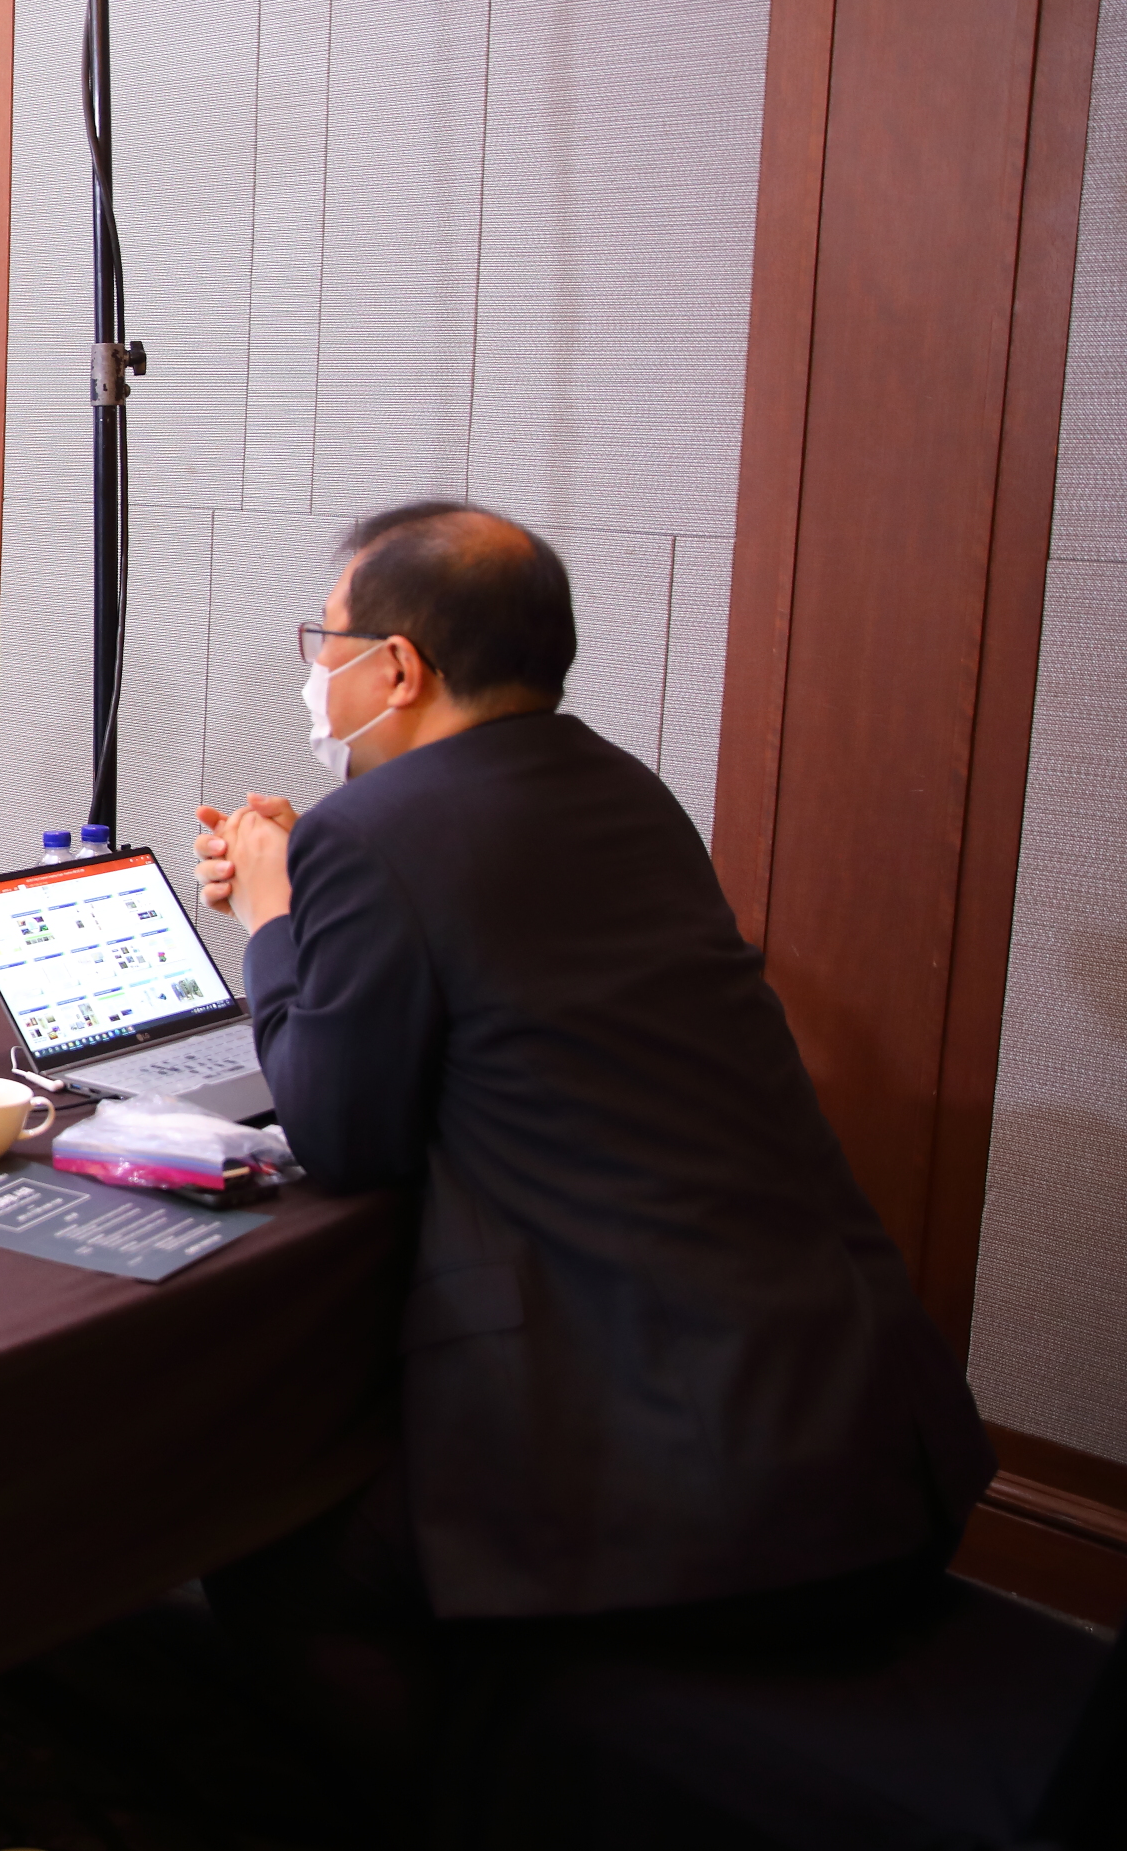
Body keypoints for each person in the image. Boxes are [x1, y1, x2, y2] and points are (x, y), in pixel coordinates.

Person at [192, 500, 990, 1831]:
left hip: (694, 1492)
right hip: (870, 1435)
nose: (316, 670)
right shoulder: (624, 790)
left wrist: (274, 908)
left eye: (325, 640)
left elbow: (342, 1133)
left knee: (266, 1551)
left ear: (398, 666)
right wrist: (316, 883)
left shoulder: (369, 837)